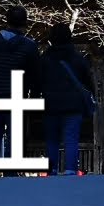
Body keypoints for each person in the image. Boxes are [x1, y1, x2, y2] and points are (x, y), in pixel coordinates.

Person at [0, 5, 41, 167]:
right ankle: (11, 170)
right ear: (25, 22)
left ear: (7, 21)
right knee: (15, 133)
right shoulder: (30, 46)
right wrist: (34, 95)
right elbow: (35, 74)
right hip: (17, 95)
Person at [38, 22, 93, 175]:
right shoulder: (77, 58)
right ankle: (70, 169)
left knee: (51, 139)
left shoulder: (45, 59)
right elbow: (87, 81)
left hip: (50, 104)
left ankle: (52, 169)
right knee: (71, 138)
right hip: (73, 105)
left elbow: (38, 81)